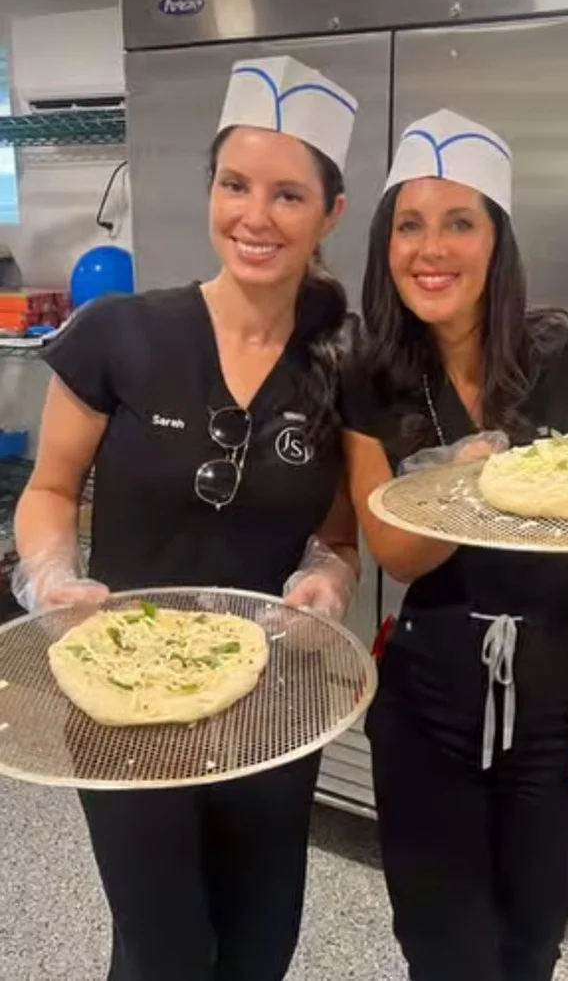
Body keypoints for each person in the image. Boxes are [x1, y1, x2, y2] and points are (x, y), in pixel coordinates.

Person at [13, 56, 359, 981]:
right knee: (165, 951)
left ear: (330, 213)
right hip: (121, 696)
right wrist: (50, 575)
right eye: (234, 184)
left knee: (257, 948)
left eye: (288, 195)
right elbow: (49, 492)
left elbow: (341, 528)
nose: (254, 215)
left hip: (272, 704)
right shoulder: (119, 335)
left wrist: (327, 574)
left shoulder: (344, 363)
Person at [341, 108, 568, 981]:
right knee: (441, 949)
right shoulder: (371, 379)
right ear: (384, 245)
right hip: (426, 707)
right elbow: (396, 554)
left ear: (497, 242)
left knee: (526, 946)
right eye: (408, 225)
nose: (431, 249)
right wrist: (464, 477)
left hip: (563, 703)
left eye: (460, 222)